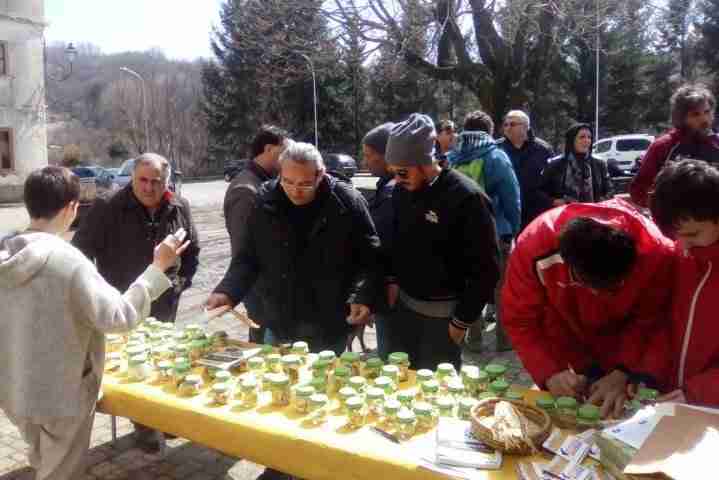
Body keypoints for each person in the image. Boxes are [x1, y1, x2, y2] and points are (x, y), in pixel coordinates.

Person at [0, 166, 185, 480]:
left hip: (16, 390)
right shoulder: (68, 262)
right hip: (63, 394)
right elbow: (120, 316)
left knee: (44, 462)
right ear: (72, 208)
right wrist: (157, 268)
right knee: (60, 474)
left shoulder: (6, 253)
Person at [73, 152, 200, 452]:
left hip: (164, 305)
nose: (148, 187)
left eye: (156, 181)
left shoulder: (179, 207)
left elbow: (193, 251)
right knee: (133, 369)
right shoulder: (108, 207)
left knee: (162, 364)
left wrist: (179, 285)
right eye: (142, 180)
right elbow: (79, 255)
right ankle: (143, 423)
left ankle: (163, 417)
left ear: (166, 182)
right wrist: (99, 293)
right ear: (132, 178)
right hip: (122, 304)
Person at [501, 198, 675, 418]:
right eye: (586, 284)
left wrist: (624, 371)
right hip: (569, 342)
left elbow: (651, 321)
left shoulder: (657, 253)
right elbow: (520, 320)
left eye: (612, 287)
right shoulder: (535, 246)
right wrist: (550, 372)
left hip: (628, 349)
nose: (596, 294)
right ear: (568, 262)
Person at [207, 141, 380, 355]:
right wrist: (227, 291)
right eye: (288, 181)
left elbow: (371, 257)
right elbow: (248, 257)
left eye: (305, 184)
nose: (296, 191)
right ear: (279, 173)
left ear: (320, 174)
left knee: (323, 382)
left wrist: (362, 295)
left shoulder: (345, 201)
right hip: (280, 319)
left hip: (329, 321)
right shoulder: (265, 200)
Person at [382, 113, 500, 370]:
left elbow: (487, 268)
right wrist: (391, 280)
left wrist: (462, 321)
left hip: (444, 319)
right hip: (404, 312)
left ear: (425, 162)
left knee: (437, 397)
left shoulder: (467, 198)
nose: (397, 180)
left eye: (402, 172)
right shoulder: (402, 191)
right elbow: (394, 242)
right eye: (392, 172)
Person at [644, 159, 719, 406]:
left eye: (693, 234)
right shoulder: (679, 255)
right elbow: (659, 322)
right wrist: (646, 374)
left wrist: (699, 392)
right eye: (675, 235)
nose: (683, 244)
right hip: (670, 399)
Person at [448, 109, 521, 352]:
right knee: (502, 289)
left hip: (461, 235)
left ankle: (474, 340)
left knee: (470, 285)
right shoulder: (496, 157)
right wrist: (514, 228)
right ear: (490, 132)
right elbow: (512, 198)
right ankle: (504, 341)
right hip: (496, 233)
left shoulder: (452, 157)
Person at [224, 125, 288, 343]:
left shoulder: (262, 182)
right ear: (269, 149)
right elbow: (245, 248)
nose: (286, 158)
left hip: (271, 286)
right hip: (259, 288)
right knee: (262, 346)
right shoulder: (246, 190)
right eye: (284, 152)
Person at [630, 84, 719, 208]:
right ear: (682, 118)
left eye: (707, 112)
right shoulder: (664, 146)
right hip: (678, 223)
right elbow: (638, 191)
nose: (704, 119)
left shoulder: (716, 144)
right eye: (695, 114)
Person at [362, 122, 396, 360]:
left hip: (391, 293)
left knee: (390, 355)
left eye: (369, 156)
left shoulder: (391, 193)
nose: (365, 162)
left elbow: (381, 248)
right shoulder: (388, 187)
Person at [497, 110, 554, 230]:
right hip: (505, 216)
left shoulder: (543, 150)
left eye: (512, 124)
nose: (507, 128)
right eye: (505, 124)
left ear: (525, 127)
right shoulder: (496, 149)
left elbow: (553, 182)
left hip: (536, 215)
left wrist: (549, 201)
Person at [541, 123, 613, 206]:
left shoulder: (599, 163)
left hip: (593, 213)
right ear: (572, 140)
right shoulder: (555, 164)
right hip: (564, 214)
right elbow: (540, 192)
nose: (586, 140)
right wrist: (553, 201)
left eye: (589, 137)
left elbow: (610, 191)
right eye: (582, 137)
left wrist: (600, 203)